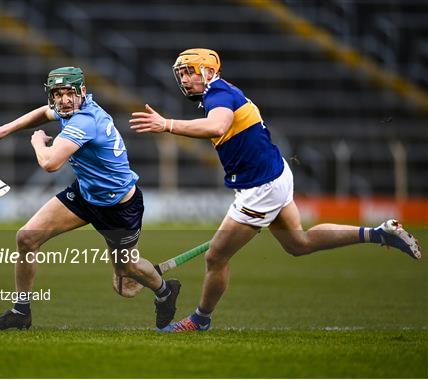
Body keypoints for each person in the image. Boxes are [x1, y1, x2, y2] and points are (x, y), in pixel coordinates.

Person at [129, 48, 422, 332]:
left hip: (260, 188)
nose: (183, 80)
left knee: (215, 257)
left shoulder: (219, 94)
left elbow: (217, 127)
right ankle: (378, 233)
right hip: (275, 174)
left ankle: (200, 320)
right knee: (299, 243)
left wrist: (166, 124)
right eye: (180, 74)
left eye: (188, 73)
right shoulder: (217, 93)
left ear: (208, 71)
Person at [0, 67, 180, 330]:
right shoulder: (67, 109)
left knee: (126, 271)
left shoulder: (85, 120)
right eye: (57, 94)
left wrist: (38, 141)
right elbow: (43, 112)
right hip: (85, 195)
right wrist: (5, 129)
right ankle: (21, 311)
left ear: (82, 92)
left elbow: (50, 164)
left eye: (69, 93)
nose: (63, 99)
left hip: (119, 207)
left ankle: (165, 291)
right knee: (26, 238)